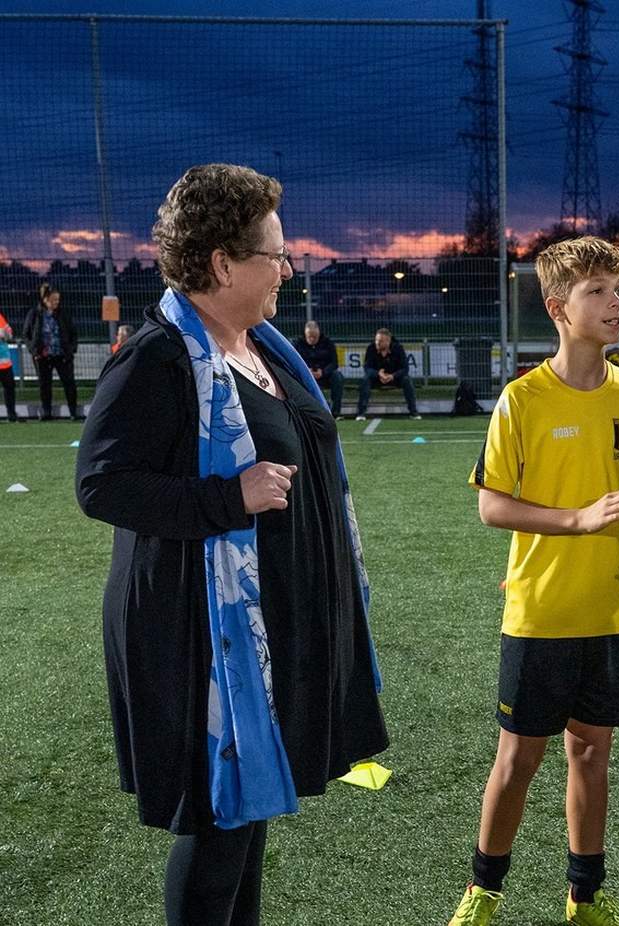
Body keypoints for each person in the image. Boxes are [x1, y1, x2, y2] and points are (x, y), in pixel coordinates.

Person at [74, 163, 389, 926]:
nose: (287, 269)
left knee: (246, 819)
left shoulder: (262, 346)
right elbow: (101, 484)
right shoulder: (159, 356)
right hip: (194, 636)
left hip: (262, 627)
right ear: (221, 262)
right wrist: (226, 497)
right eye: (275, 256)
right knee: (218, 825)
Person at [447, 236, 619, 926]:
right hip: (541, 610)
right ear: (558, 308)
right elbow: (492, 504)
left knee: (591, 753)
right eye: (600, 293)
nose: (618, 305)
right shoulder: (523, 400)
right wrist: (580, 520)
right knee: (518, 758)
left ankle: (585, 898)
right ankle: (482, 892)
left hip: (612, 610)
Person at [21, 283, 81, 420]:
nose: (56, 302)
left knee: (69, 382)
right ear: (45, 299)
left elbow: (73, 333)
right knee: (44, 384)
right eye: (53, 299)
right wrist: (34, 350)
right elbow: (26, 334)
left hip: (62, 355)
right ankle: (46, 412)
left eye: (58, 300)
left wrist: (71, 350)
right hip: (42, 356)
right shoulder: (35, 314)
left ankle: (73, 412)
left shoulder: (63, 314)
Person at [354, 326, 419, 419]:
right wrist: (378, 374)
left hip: (394, 378)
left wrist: (393, 376)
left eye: (380, 341)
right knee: (365, 380)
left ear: (388, 341)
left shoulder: (398, 348)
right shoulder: (371, 348)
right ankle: (361, 413)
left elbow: (405, 368)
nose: (377, 342)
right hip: (377, 378)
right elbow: (367, 368)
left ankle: (414, 412)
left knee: (407, 380)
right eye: (376, 340)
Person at [293, 320, 344, 417]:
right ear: (305, 334)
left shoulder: (328, 343)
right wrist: (307, 371)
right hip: (305, 376)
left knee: (337, 377)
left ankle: (335, 412)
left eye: (314, 337)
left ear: (319, 333)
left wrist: (323, 372)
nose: (312, 339)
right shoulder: (298, 344)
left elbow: (334, 363)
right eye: (309, 337)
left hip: (325, 375)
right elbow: (294, 362)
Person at [0, 309, 20, 422]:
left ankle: (11, 414)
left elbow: (9, 334)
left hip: (5, 363)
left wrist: (5, 334)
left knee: (10, 389)